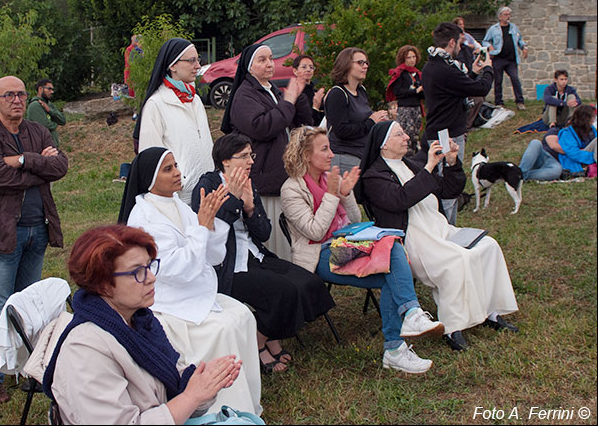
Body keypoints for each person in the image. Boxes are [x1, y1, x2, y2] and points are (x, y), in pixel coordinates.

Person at [282, 126, 445, 373]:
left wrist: (345, 194)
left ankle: (404, 330)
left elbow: (355, 221)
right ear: (306, 156)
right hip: (321, 255)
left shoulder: (328, 179)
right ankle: (399, 339)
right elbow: (315, 232)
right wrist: (333, 195)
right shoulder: (291, 189)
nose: (331, 154)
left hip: (347, 244)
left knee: (392, 249)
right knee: (393, 266)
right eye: (324, 149)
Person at [41, 225, 242, 424]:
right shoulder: (85, 350)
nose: (152, 278)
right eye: (138, 272)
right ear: (102, 284)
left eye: (149, 266)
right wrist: (191, 396)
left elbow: (171, 378)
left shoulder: (140, 320)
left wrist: (203, 383)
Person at [119, 147, 261, 415]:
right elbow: (176, 267)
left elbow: (213, 255)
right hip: (168, 299)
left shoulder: (176, 205)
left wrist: (211, 224)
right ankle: (219, 409)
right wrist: (201, 226)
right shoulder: (143, 219)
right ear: (150, 178)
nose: (178, 173)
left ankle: (248, 404)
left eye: (176, 166)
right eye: (168, 169)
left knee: (243, 316)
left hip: (194, 289)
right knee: (223, 328)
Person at [357, 121, 519, 352]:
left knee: (488, 246)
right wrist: (429, 167)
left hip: (440, 229)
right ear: (383, 145)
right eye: (399, 134)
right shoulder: (374, 177)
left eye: (404, 133)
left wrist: (451, 162)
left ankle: (491, 312)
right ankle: (453, 327)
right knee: (456, 260)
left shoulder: (411, 165)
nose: (406, 137)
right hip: (411, 238)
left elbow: (450, 190)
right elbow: (400, 200)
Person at [192, 133, 336, 373]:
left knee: (308, 282)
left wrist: (250, 209)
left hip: (254, 254)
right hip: (227, 265)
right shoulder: (207, 185)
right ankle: (259, 343)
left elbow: (264, 233)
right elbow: (207, 233)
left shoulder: (249, 182)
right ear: (225, 161)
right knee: (283, 292)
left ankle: (266, 334)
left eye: (251, 155)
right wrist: (235, 200)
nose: (250, 161)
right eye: (244, 156)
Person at [0, 75, 69, 405]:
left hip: (38, 228)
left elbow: (59, 167)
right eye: (8, 94)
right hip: (4, 231)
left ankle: (30, 370)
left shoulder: (37, 130)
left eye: (21, 94)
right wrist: (38, 165)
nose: (16, 99)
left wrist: (24, 159)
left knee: (33, 306)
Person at [220, 44, 313, 260]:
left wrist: (297, 96)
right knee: (272, 242)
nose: (269, 64)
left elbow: (301, 123)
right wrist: (288, 101)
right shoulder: (245, 95)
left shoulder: (272, 90)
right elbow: (262, 127)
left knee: (286, 238)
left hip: (280, 175)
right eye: (262, 60)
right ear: (249, 67)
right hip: (263, 180)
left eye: (271, 58)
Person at [422, 22, 493, 225]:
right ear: (452, 42)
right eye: (460, 42)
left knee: (447, 182)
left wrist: (471, 72)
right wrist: (488, 69)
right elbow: (480, 89)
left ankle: (446, 228)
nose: (462, 48)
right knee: (449, 184)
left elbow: (456, 89)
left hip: (442, 131)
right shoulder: (445, 69)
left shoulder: (433, 66)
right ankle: (447, 230)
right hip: (447, 135)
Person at [134, 38, 214, 205]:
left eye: (198, 60)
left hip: (207, 192)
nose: (198, 66)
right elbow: (151, 159)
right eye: (191, 60)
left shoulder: (195, 100)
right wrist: (180, 184)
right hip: (180, 198)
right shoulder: (156, 105)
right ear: (172, 66)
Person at [324, 47, 388, 174]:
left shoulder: (361, 91)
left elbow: (363, 119)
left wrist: (379, 120)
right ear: (346, 64)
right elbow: (341, 131)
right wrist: (371, 122)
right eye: (360, 63)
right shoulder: (338, 94)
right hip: (344, 157)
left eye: (366, 63)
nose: (365, 66)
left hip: (362, 155)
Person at [482, 7, 528, 109]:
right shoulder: (493, 29)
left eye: (509, 14)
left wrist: (524, 47)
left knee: (515, 79)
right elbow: (485, 41)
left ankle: (520, 102)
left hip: (511, 59)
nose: (508, 17)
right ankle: (499, 102)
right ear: (500, 16)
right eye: (506, 15)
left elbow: (520, 40)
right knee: (498, 81)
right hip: (499, 58)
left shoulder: (514, 28)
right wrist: (489, 46)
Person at [386, 45, 424, 156]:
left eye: (414, 57)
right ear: (403, 59)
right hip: (405, 108)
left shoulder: (418, 74)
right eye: (409, 57)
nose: (412, 60)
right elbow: (398, 92)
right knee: (406, 135)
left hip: (416, 108)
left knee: (415, 135)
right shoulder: (400, 73)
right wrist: (415, 91)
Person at [557, 104, 597, 178]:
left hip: (587, 155)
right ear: (585, 118)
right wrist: (593, 156)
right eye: (593, 117)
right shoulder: (567, 133)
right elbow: (574, 154)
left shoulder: (592, 129)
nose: (594, 119)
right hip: (577, 160)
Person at [25, 78, 66, 148]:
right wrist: (56, 123)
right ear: (40, 89)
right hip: (42, 148)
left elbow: (63, 120)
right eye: (49, 89)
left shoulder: (49, 105)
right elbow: (45, 126)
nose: (52, 92)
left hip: (53, 146)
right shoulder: (35, 105)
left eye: (52, 89)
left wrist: (50, 110)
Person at [292, 54, 325, 126]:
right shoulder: (294, 95)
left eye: (311, 67)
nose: (308, 70)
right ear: (295, 71)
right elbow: (305, 123)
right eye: (304, 67)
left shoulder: (315, 93)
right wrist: (315, 107)